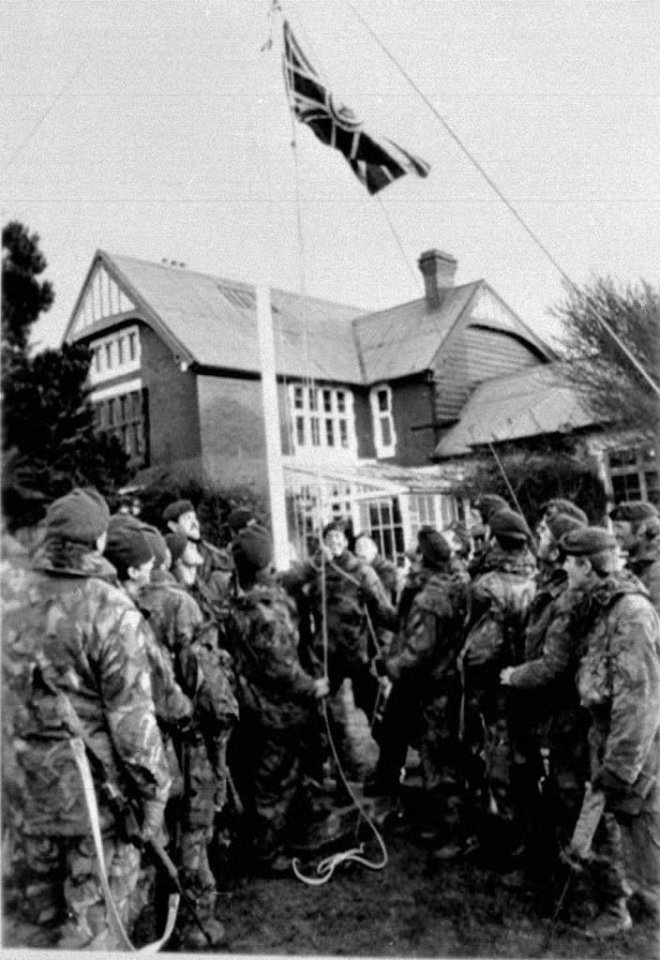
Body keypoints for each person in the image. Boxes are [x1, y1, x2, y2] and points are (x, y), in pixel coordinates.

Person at [2, 488, 171, 950]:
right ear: (99, 544)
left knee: (27, 936)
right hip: (93, 812)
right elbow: (133, 726)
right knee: (94, 937)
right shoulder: (108, 606)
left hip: (19, 804)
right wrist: (154, 797)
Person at [561, 525, 660, 938]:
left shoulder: (629, 612)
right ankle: (631, 902)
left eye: (570, 562)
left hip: (629, 740)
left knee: (636, 823)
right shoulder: (601, 605)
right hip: (606, 733)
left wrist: (620, 763)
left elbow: (638, 696)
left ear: (587, 565)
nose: (565, 568)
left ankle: (625, 908)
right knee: (619, 825)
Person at [152, 529, 238, 948]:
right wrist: (222, 721)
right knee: (195, 826)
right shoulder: (180, 604)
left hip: (154, 738)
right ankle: (195, 921)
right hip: (190, 734)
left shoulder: (135, 600)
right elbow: (205, 685)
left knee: (165, 825)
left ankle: (163, 914)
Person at [228, 525, 329, 872]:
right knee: (274, 783)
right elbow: (282, 667)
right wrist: (312, 687)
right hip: (279, 711)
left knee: (279, 776)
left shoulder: (240, 603)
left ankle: (290, 829)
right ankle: (266, 853)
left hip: (254, 704)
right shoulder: (269, 611)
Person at [499, 511, 590, 887]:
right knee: (538, 786)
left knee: (564, 792)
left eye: (544, 534)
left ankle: (570, 876)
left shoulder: (565, 597)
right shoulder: (546, 586)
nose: (537, 538)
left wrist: (514, 676)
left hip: (558, 711)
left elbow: (554, 664)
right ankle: (543, 865)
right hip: (539, 708)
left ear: (560, 548)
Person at [284, 521, 397, 781]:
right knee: (321, 715)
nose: (333, 542)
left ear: (345, 542)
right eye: (329, 538)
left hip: (358, 653)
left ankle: (390, 765)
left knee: (376, 708)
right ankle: (325, 769)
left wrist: (389, 643)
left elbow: (381, 609)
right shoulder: (317, 569)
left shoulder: (361, 570)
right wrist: (313, 563)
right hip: (326, 655)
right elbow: (288, 583)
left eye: (338, 537)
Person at [375, 531, 468, 846]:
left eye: (415, 557)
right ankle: (439, 818)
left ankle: (449, 828)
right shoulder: (455, 583)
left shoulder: (430, 598)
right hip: (444, 680)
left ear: (425, 559)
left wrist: (390, 666)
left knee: (436, 757)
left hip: (433, 684)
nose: (410, 563)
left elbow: (419, 649)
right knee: (439, 751)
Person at [458, 508, 537, 859]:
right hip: (530, 679)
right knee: (524, 756)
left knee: (498, 759)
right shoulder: (537, 575)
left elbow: (478, 648)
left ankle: (509, 840)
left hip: (495, 684)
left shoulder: (486, 586)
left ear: (494, 539)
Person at [162, 499, 234, 624]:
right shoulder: (167, 552)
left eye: (195, 518)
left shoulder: (207, 550)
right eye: (187, 519)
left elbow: (227, 564)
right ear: (173, 526)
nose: (195, 523)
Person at [609, 500, 660, 612]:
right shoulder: (633, 567)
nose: (615, 534)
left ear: (641, 530)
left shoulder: (656, 569)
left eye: (619, 527)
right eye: (614, 528)